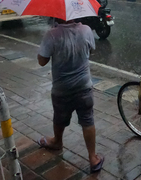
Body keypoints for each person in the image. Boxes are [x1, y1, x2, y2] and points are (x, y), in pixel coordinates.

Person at [36, 18, 104, 172]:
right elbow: (90, 50)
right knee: (87, 120)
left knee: (59, 117)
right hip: (84, 87)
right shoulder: (86, 30)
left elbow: (42, 61)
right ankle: (93, 158)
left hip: (62, 89)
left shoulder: (51, 35)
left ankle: (57, 142)